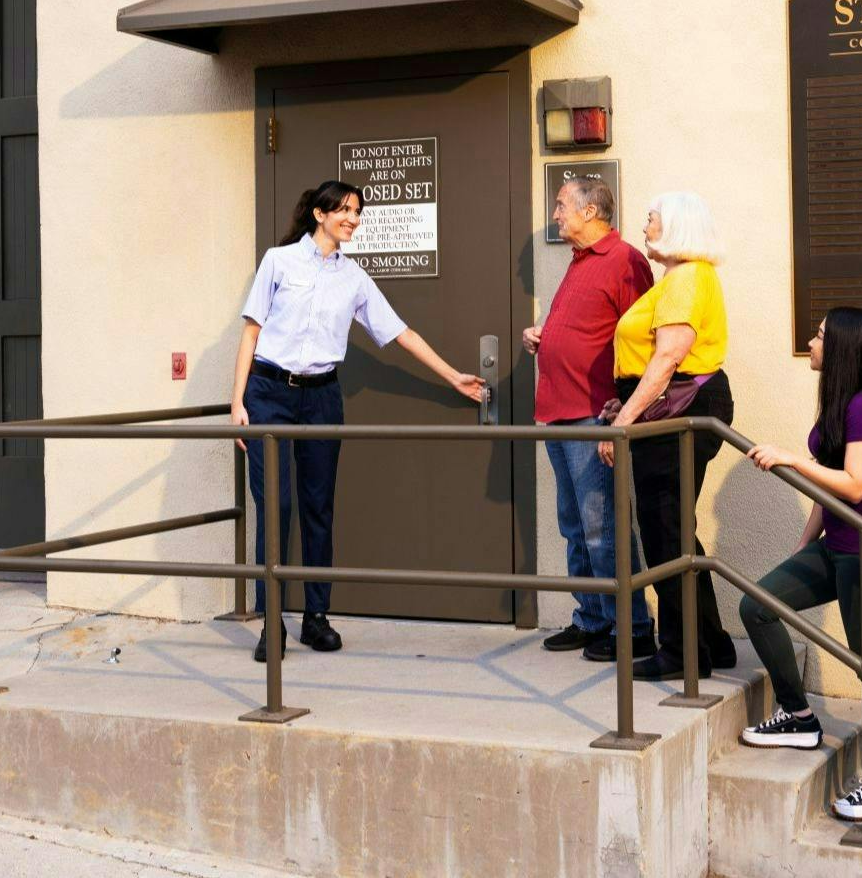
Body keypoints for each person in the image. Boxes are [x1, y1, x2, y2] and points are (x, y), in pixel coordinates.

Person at [231, 180, 485, 662]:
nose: (353, 219)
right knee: (275, 506)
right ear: (320, 214)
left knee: (318, 507)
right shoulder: (279, 261)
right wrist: (237, 402)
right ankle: (271, 621)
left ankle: (316, 617)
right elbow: (251, 332)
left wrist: (453, 376)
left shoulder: (354, 278)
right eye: (345, 210)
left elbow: (401, 333)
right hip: (269, 394)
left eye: (357, 212)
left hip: (322, 397)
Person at [737, 307, 862, 822]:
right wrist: (804, 545)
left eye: (818, 336)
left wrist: (793, 459)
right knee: (758, 605)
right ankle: (798, 715)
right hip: (835, 547)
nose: (811, 342)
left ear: (840, 347)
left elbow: (855, 485)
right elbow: (830, 483)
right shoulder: (840, 401)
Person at [597, 191, 737, 681]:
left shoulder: (686, 278)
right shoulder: (683, 278)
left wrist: (624, 420)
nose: (645, 225)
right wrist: (626, 403)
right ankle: (711, 641)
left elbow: (667, 359)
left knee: (665, 531)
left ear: (677, 224)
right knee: (675, 528)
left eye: (652, 218)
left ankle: (682, 652)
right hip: (674, 407)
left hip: (680, 411)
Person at [523, 177, 657, 661]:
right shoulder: (578, 261)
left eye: (562, 205)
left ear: (590, 211)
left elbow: (643, 338)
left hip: (593, 414)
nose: (556, 214)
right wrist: (544, 337)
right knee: (574, 526)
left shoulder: (624, 261)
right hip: (558, 413)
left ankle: (632, 626)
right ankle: (593, 618)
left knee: (603, 526)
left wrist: (624, 406)